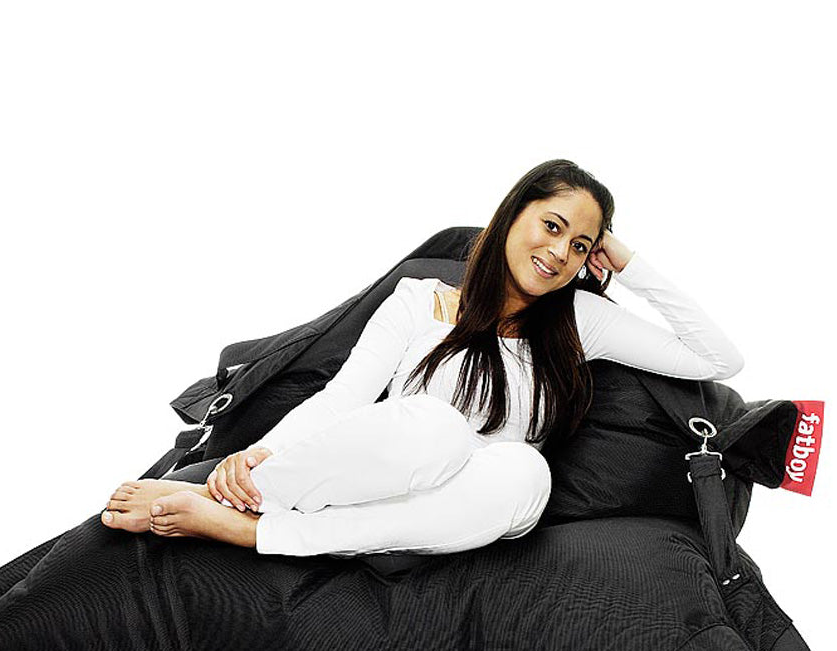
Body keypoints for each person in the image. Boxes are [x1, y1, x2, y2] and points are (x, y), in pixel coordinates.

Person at [100, 158, 744, 557]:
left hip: (468, 509)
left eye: (580, 245)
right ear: (512, 214)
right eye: (552, 226)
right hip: (390, 479)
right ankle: (245, 503)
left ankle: (254, 531)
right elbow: (343, 400)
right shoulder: (419, 300)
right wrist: (257, 457)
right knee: (436, 426)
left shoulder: (579, 320)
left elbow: (716, 357)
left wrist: (627, 262)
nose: (559, 253)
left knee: (526, 471)